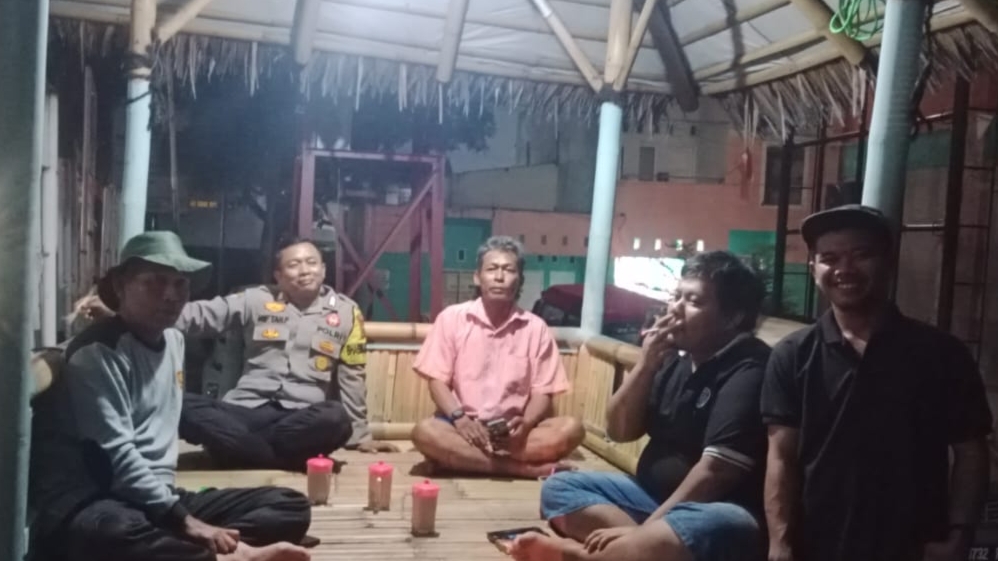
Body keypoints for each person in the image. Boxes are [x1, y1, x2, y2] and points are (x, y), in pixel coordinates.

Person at [28, 231, 312, 561]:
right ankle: (225, 554)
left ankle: (183, 550)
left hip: (159, 499)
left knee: (289, 506)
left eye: (180, 284)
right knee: (112, 532)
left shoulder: (174, 340)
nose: (170, 295)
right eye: (154, 282)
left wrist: (176, 513)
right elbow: (113, 458)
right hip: (100, 498)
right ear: (120, 287)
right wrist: (186, 521)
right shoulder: (98, 352)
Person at [761, 204, 993, 561]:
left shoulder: (941, 353)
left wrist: (959, 535)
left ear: (888, 262)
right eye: (829, 258)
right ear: (813, 269)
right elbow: (781, 457)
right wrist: (780, 543)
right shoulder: (791, 355)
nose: (844, 269)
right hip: (817, 548)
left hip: (915, 548)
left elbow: (970, 451)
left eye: (861, 255)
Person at [514, 251, 770, 561]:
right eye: (676, 296)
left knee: (705, 525)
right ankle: (640, 552)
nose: (674, 309)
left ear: (733, 317)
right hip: (655, 499)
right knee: (561, 487)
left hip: (716, 511)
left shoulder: (749, 368)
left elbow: (716, 474)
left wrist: (647, 528)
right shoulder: (678, 358)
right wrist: (646, 365)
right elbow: (619, 431)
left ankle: (587, 555)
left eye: (693, 301)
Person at [176, 237, 398, 471]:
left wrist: (360, 437)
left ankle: (239, 451)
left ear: (323, 270)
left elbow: (352, 376)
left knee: (335, 418)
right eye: (293, 265)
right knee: (181, 405)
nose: (304, 271)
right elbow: (200, 315)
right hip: (245, 411)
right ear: (278, 276)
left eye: (311, 263)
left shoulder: (347, 312)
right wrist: (156, 312)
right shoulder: (255, 299)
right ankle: (277, 459)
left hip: (299, 419)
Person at [410, 235, 585, 479]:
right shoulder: (451, 319)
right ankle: (522, 469)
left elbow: (543, 392)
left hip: (513, 434)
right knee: (425, 432)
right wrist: (460, 420)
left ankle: (461, 461)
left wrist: (525, 424)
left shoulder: (535, 328)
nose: (499, 277)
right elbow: (436, 381)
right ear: (477, 277)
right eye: (492, 269)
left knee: (572, 429)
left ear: (519, 279)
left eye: (509, 270)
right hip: (462, 428)